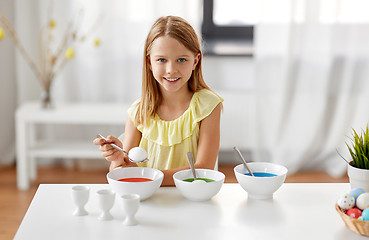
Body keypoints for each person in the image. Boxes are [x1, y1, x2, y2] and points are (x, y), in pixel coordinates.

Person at [93, 16, 223, 186]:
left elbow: (204, 170)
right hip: (146, 201)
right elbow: (121, 172)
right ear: (149, 62)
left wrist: (147, 177)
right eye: (162, 60)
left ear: (195, 61)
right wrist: (119, 160)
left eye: (181, 59)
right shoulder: (138, 111)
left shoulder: (208, 106)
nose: (171, 70)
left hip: (190, 201)